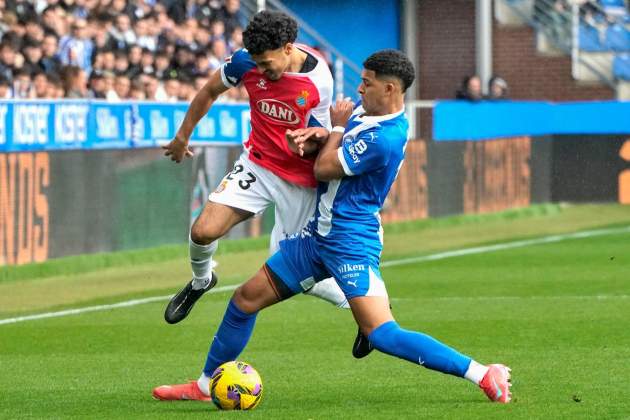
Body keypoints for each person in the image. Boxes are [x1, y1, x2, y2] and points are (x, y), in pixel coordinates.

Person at [153, 49, 513, 404]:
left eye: (366, 83)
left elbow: (325, 169)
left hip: (349, 243)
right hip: (317, 239)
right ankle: (204, 387)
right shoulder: (368, 114)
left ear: (390, 90)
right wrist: (317, 136)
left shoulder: (385, 138)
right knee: (245, 300)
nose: (359, 89)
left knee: (383, 333)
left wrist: (336, 127)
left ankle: (483, 373)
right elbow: (330, 148)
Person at [160, 11, 365, 356]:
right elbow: (209, 91)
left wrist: (308, 140)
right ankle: (202, 280)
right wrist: (182, 137)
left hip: (300, 181)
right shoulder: (244, 63)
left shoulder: (318, 79)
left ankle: (366, 313)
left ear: (288, 48)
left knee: (291, 269)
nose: (262, 71)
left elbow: (326, 135)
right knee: (202, 231)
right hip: (257, 164)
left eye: (267, 64)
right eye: (256, 63)